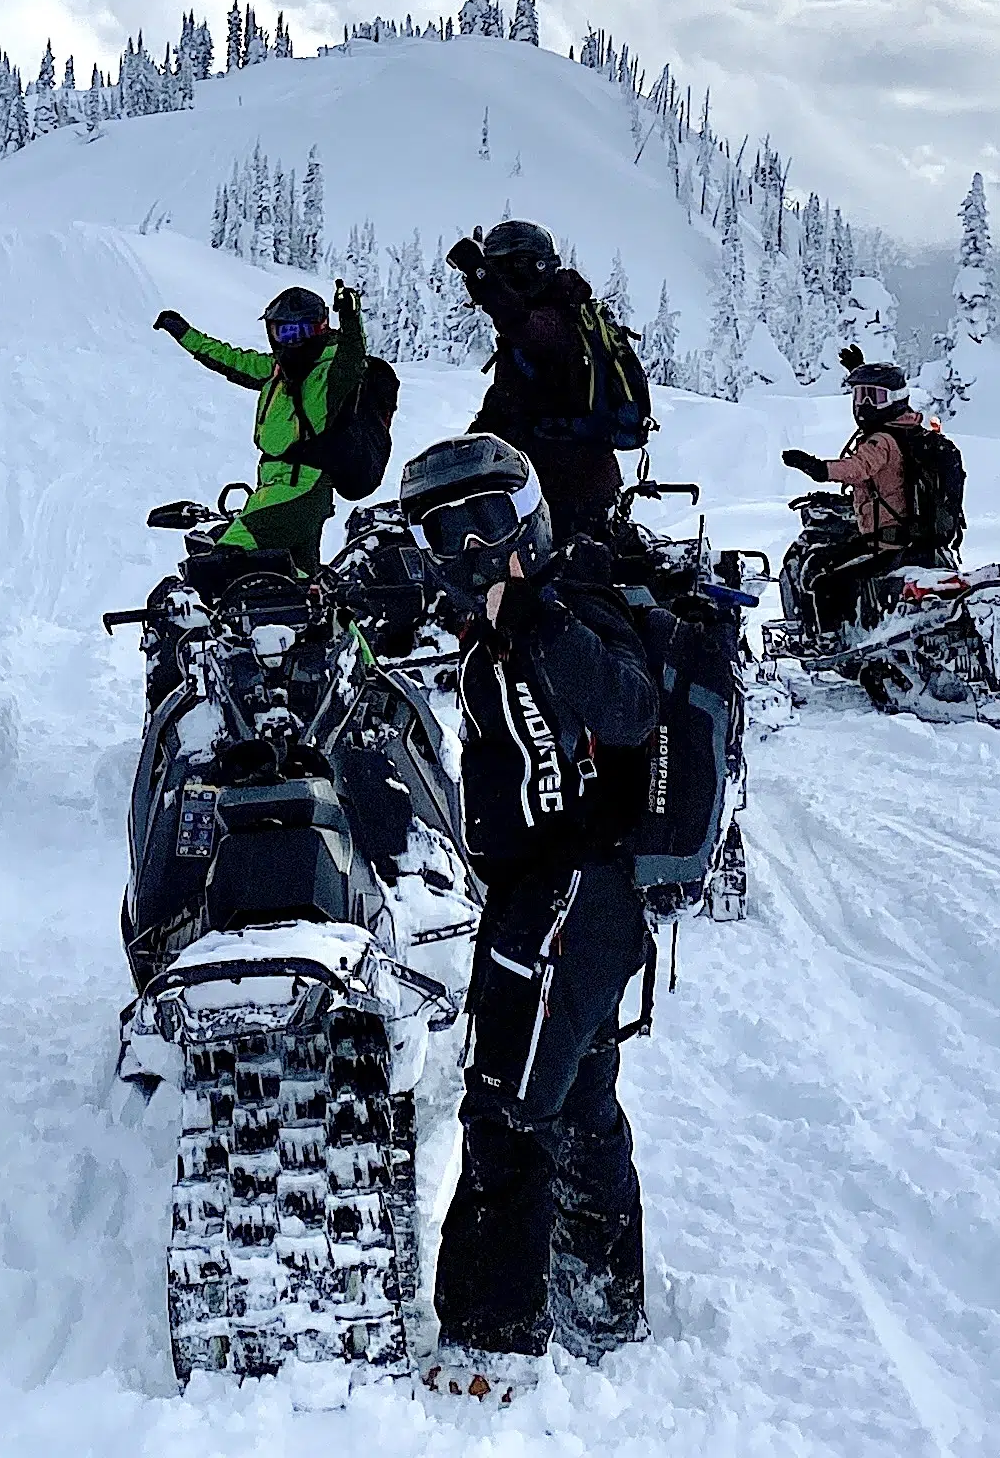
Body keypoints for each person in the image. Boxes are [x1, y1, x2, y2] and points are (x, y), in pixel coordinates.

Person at [399, 431, 661, 1367]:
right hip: (545, 897)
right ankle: (601, 1308)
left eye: (490, 524)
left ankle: (491, 1340)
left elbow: (631, 708)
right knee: (580, 1097)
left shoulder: (570, 603)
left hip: (576, 895)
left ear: (533, 518)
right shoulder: (489, 616)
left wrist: (539, 622)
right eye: (447, 535)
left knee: (507, 1106)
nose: (474, 551)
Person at [149, 280, 394, 561]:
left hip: (302, 488)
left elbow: (352, 355)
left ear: (319, 329)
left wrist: (350, 317)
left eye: (299, 332)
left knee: (225, 558)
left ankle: (192, 604)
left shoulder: (330, 373)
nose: (290, 341)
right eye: (282, 332)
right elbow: (229, 358)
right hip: (276, 487)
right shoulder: (276, 370)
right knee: (297, 580)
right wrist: (186, 335)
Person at [447, 219, 653, 546]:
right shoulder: (529, 338)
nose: (502, 281)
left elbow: (521, 323)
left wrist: (479, 275)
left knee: (559, 586)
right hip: (539, 484)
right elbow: (501, 410)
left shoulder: (559, 322)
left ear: (529, 268)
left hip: (572, 486)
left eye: (504, 270)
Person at [782, 348, 951, 637]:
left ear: (896, 399)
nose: (866, 404)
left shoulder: (881, 441)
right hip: (911, 537)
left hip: (886, 543)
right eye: (861, 395)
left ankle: (828, 638)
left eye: (876, 397)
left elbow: (857, 468)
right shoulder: (910, 430)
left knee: (821, 574)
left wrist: (815, 467)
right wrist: (859, 372)